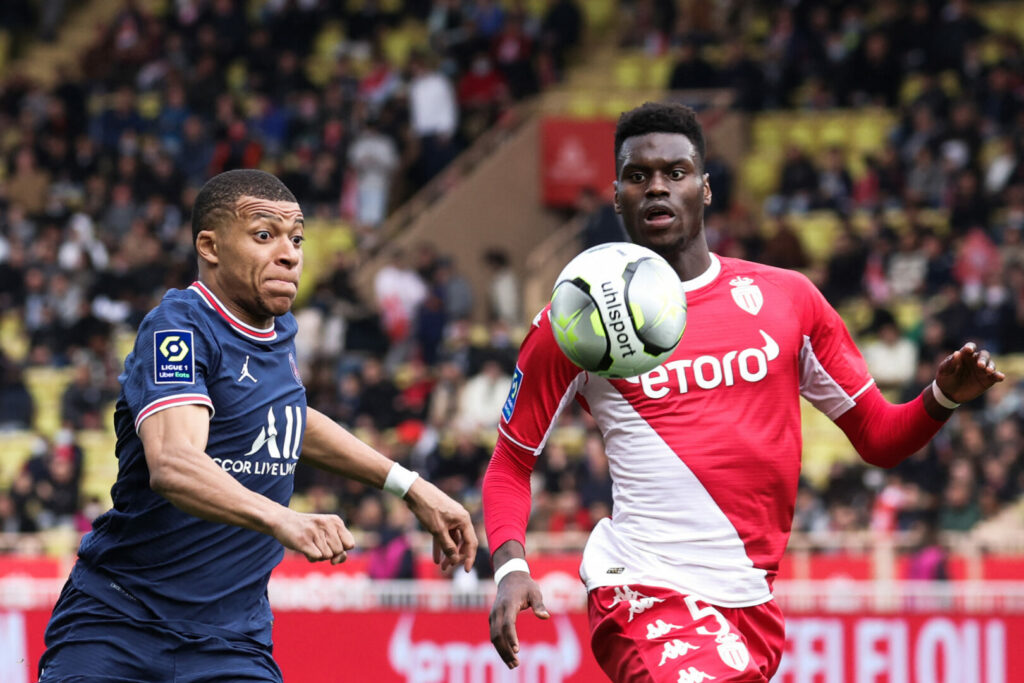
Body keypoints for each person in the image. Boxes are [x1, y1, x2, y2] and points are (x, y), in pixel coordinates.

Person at [482, 102, 1003, 682]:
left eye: (675, 172)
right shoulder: (578, 320)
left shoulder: (788, 299)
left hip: (750, 604)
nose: (656, 187)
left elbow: (879, 438)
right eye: (637, 176)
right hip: (644, 591)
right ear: (617, 197)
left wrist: (941, 398)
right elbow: (510, 462)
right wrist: (509, 567)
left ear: (705, 188)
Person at [38, 169, 477, 682]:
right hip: (120, 624)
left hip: (232, 641)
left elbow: (288, 417)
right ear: (211, 246)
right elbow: (174, 463)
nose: (289, 254)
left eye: (297, 239)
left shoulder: (278, 331)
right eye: (265, 235)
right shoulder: (178, 329)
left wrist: (409, 486)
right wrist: (282, 519)